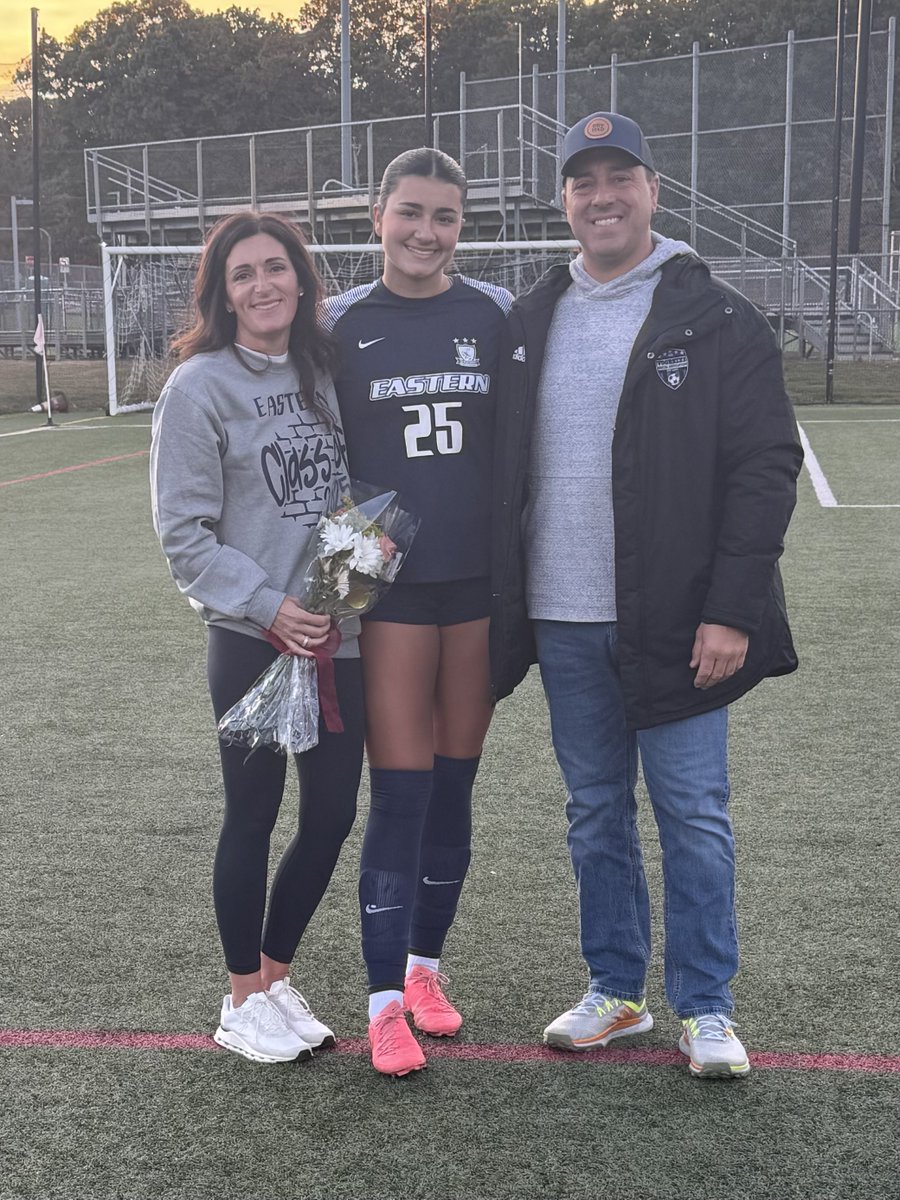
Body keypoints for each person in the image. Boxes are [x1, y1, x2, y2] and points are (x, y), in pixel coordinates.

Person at [490, 112, 803, 1079]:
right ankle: (616, 990)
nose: (602, 196)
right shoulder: (533, 313)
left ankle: (706, 1005)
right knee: (594, 811)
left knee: (693, 813)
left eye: (619, 175)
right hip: (564, 615)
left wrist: (731, 610)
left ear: (653, 189)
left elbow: (764, 467)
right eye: (583, 182)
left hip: (678, 621)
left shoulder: (715, 315)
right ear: (566, 202)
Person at [150, 212, 365, 1065]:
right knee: (253, 815)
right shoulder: (198, 387)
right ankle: (240, 998)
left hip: (334, 641)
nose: (263, 284)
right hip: (252, 640)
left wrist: (343, 593)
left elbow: (346, 493)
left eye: (277, 267)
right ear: (222, 292)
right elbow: (184, 534)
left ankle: (274, 980)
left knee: (332, 817)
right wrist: (271, 606)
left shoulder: (325, 370)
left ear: (302, 281)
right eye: (244, 274)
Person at [320, 148, 512, 1076]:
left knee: (453, 787)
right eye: (410, 213)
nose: (425, 233)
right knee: (397, 793)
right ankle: (383, 1000)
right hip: (386, 595)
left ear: (460, 228)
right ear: (376, 216)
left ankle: (427, 969)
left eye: (444, 217)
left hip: (476, 589)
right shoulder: (337, 325)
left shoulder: (496, 316)